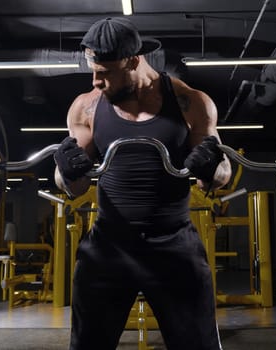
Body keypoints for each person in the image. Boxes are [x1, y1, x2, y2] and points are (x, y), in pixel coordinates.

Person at [53, 17, 232, 350]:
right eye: (93, 70)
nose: (96, 81)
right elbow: (72, 187)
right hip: (108, 246)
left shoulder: (191, 102)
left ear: (133, 61)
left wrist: (211, 167)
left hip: (174, 245)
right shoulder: (86, 107)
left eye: (104, 73)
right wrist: (66, 170)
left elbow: (221, 176)